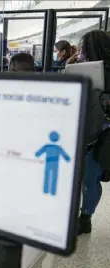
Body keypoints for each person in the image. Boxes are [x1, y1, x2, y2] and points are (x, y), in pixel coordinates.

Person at [77, 30, 110, 235]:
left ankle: (85, 218)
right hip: (88, 130)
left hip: (99, 133)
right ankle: (84, 215)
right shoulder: (82, 70)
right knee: (89, 177)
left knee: (90, 176)